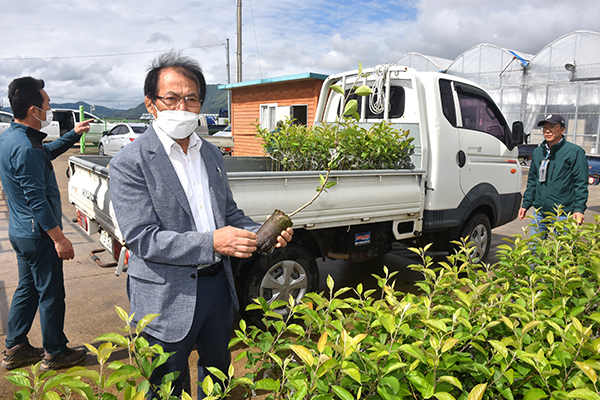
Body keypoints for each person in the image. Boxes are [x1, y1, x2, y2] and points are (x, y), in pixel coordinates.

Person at [109, 51, 293, 399]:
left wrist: (263, 231)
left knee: (217, 380)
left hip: (217, 289)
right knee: (165, 388)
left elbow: (229, 214)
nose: (182, 106)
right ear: (151, 104)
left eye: (191, 98)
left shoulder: (209, 154)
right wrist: (212, 243)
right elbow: (142, 238)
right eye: (172, 98)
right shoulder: (130, 162)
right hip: (164, 293)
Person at [0, 77, 91, 371]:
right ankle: (55, 352)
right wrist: (59, 238)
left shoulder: (13, 139)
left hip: (21, 231)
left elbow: (44, 155)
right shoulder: (25, 148)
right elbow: (36, 200)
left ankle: (15, 347)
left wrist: (73, 135)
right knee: (51, 293)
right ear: (33, 110)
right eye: (47, 104)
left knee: (27, 287)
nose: (49, 109)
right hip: (38, 235)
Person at [518, 114, 589, 236]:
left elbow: (580, 183)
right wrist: (526, 204)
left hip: (562, 213)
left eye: (552, 127)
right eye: (545, 127)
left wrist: (579, 209)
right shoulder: (539, 152)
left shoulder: (574, 152)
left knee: (561, 250)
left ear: (562, 129)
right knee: (535, 248)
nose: (547, 131)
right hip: (540, 211)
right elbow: (533, 180)